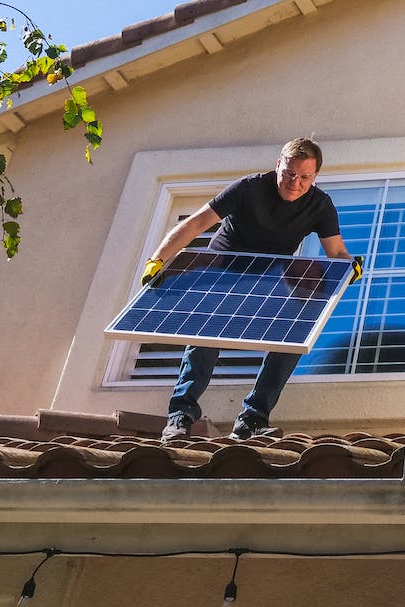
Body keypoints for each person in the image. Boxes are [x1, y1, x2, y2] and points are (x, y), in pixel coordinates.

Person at [143, 138, 353, 442]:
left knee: (294, 334)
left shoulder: (320, 205)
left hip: (267, 278)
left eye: (304, 177)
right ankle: (181, 414)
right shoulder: (249, 188)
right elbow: (196, 224)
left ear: (315, 176)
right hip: (223, 272)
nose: (295, 183)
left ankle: (253, 418)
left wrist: (350, 267)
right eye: (289, 174)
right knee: (205, 334)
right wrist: (158, 260)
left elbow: (336, 252)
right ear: (278, 166)